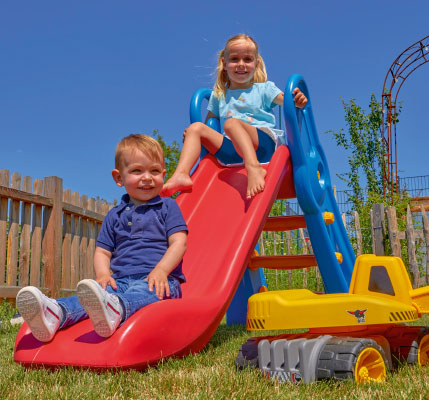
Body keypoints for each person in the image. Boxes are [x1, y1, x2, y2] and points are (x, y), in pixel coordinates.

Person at [16, 134, 188, 342]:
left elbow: (179, 242)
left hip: (160, 281)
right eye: (137, 171)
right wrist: (103, 274)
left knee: (144, 292)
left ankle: (117, 309)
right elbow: (103, 251)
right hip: (121, 280)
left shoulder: (168, 206)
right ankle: (56, 313)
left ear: (163, 174)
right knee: (94, 294)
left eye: (154, 171)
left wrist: (161, 271)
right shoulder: (115, 215)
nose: (147, 177)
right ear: (119, 178)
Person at [161, 33, 308, 200]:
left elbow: (289, 102)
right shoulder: (219, 95)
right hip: (232, 151)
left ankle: (253, 167)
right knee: (196, 128)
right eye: (234, 59)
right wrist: (194, 136)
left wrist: (298, 100)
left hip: (263, 146)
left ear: (256, 63)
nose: (241, 64)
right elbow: (208, 124)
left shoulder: (264, 89)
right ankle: (181, 174)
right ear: (224, 64)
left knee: (231, 124)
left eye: (247, 59)